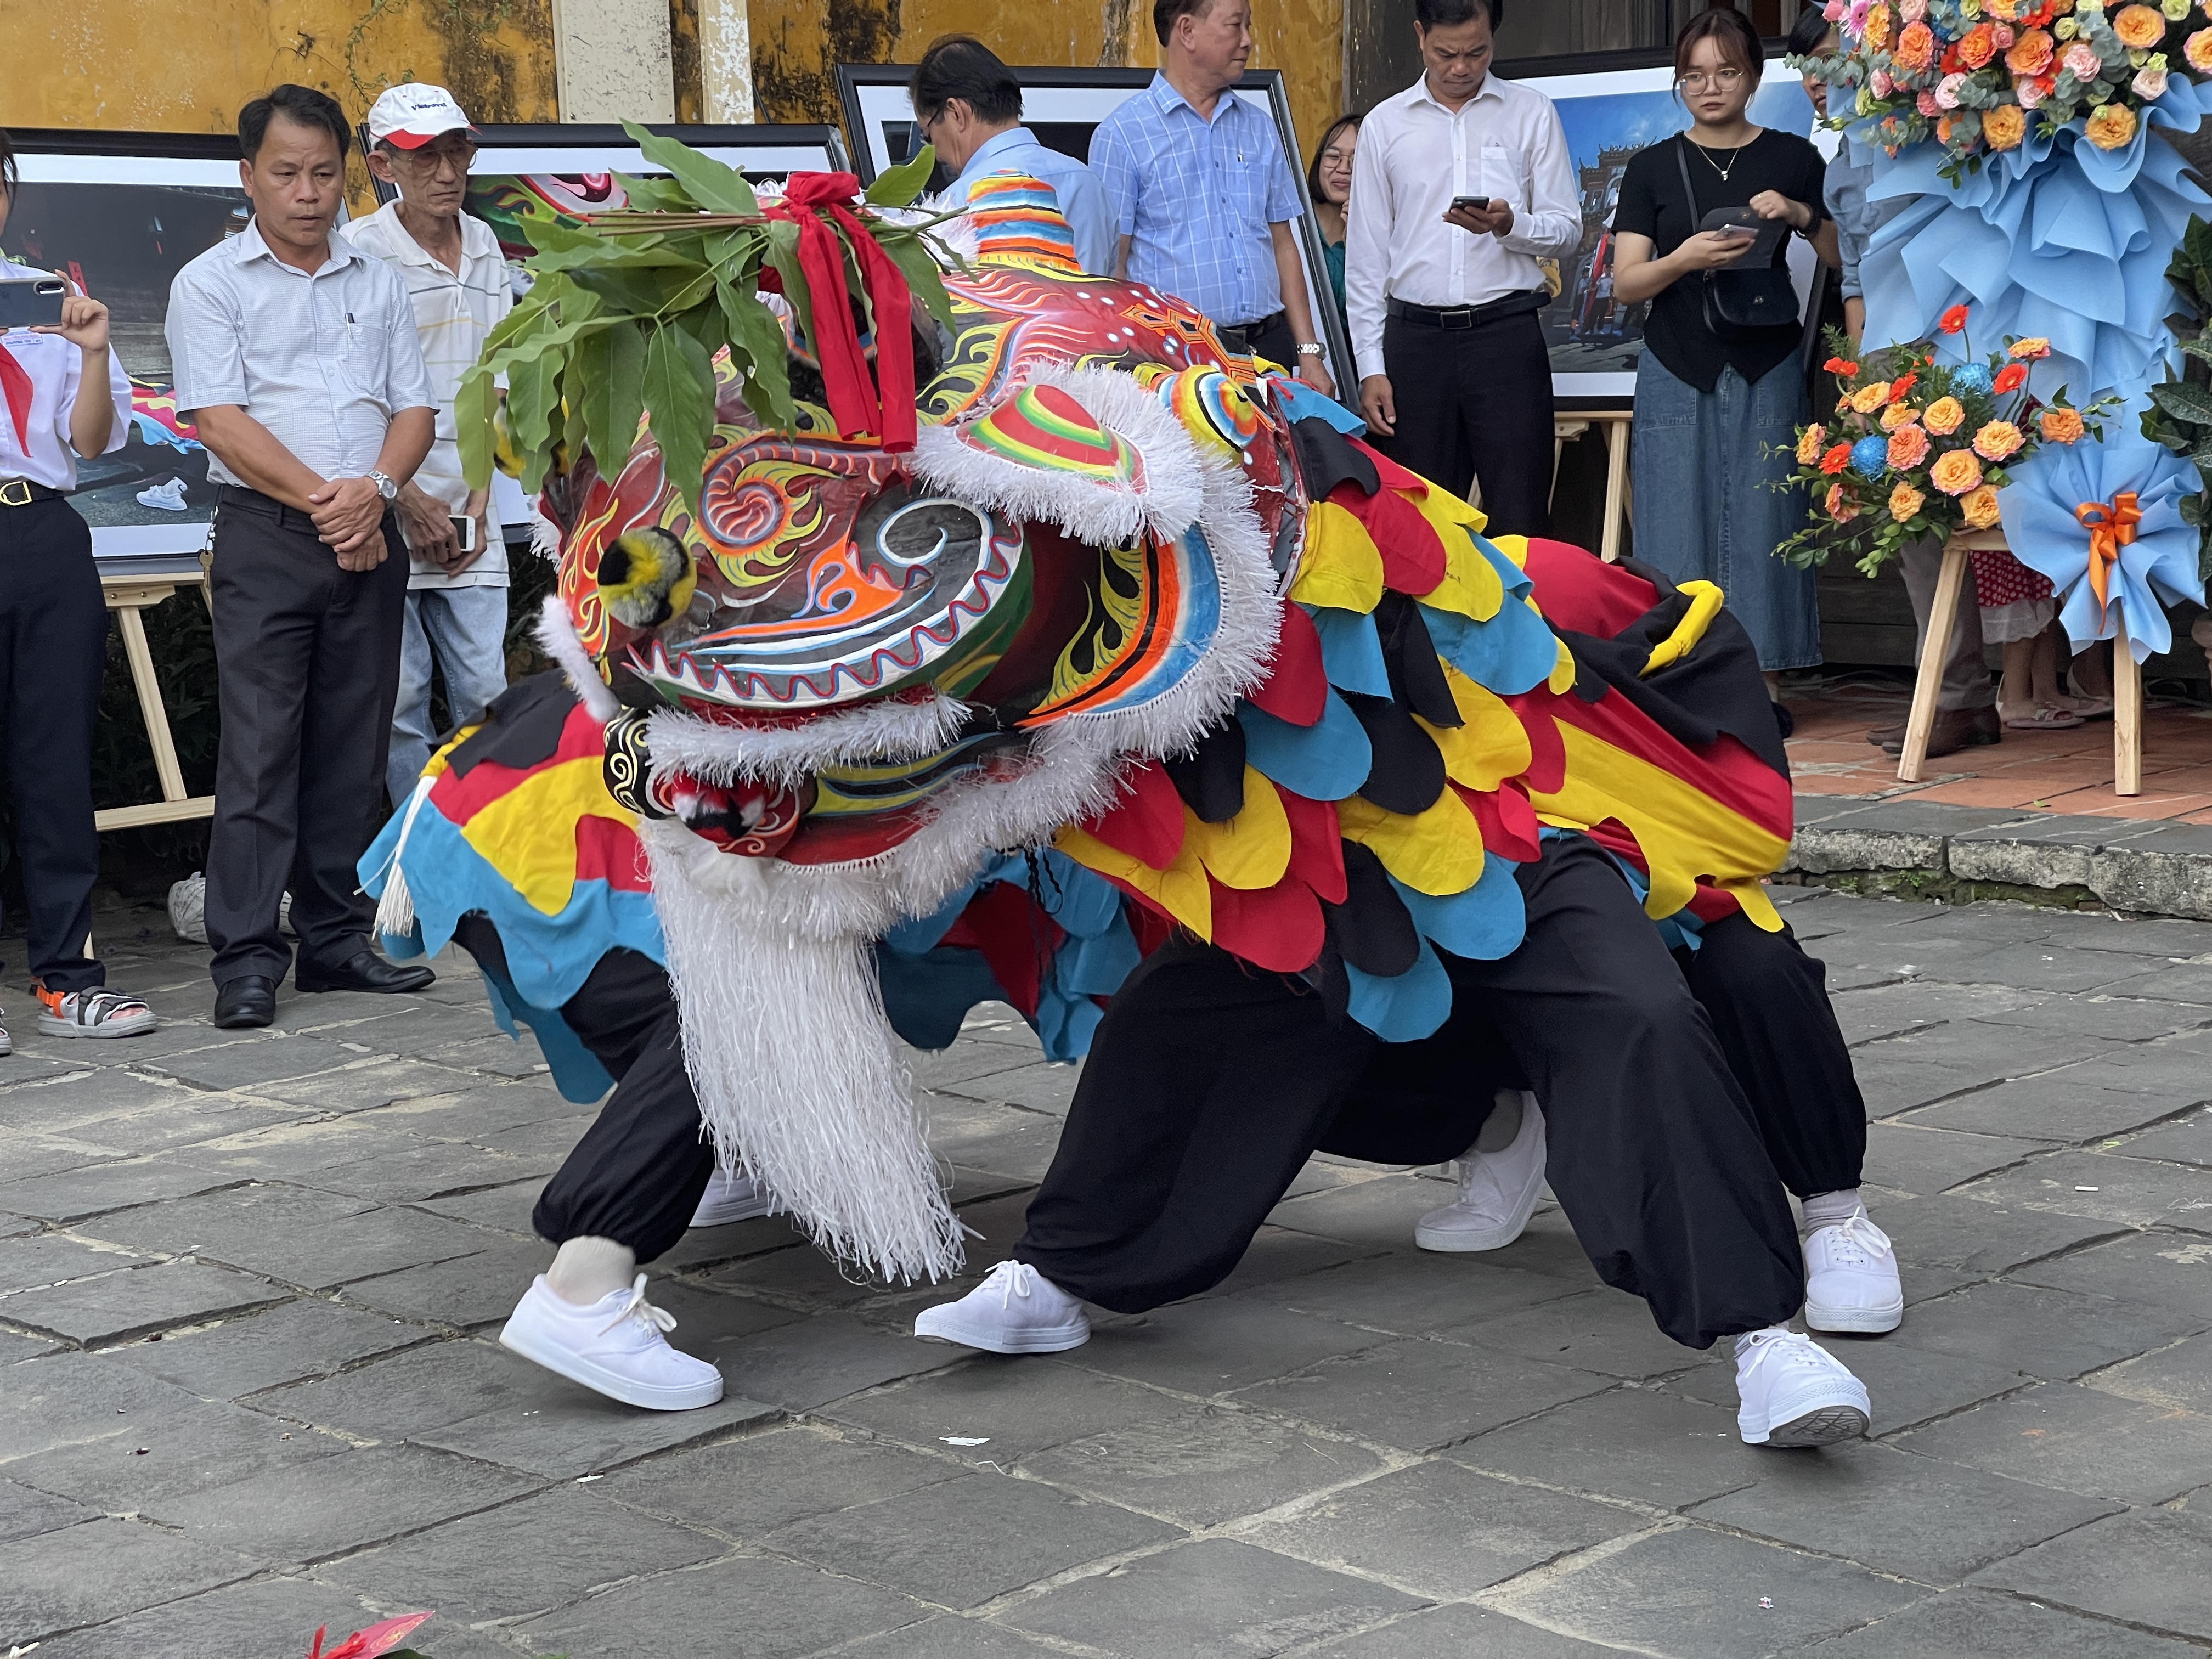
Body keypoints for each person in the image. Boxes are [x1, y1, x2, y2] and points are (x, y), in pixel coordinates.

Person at [915, 834, 1877, 1448]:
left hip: (1527, 825)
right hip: (1313, 835)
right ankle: (1063, 1270)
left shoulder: (1485, 572)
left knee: (1638, 1014)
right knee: (1179, 1010)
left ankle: (1765, 1335)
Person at [166, 84, 438, 1030]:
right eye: (286, 174)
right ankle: (245, 956)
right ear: (249, 178)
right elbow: (220, 420)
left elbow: (414, 409)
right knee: (260, 748)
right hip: (268, 537)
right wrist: (334, 503)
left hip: (373, 527)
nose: (308, 192)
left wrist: (378, 494)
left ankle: (333, 937)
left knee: (351, 744)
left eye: (325, 173)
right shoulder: (209, 283)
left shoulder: (377, 280)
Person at [1416, 908, 1903, 1338]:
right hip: (1523, 865)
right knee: (1436, 955)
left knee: (1753, 966)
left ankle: (1834, 1211)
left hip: (1677, 875)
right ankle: (1504, 1121)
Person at [1788, 10, 1997, 756]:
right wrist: (1861, 372)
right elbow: (1853, 273)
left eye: (1828, 62)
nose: (1818, 83)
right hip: (1890, 350)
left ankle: (2058, 683)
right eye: (1806, 71)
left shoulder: (1918, 125)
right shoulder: (1841, 155)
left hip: (1962, 337)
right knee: (1912, 521)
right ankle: (1958, 694)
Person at [1612, 9, 1833, 692]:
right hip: (1677, 357)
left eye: (1727, 72)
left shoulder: (1794, 157)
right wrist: (1684, 257)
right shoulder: (1651, 167)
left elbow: (1838, 255)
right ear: (1680, 83)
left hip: (1767, 356)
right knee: (1675, 515)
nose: (1710, 88)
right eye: (1695, 75)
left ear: (1755, 78)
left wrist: (1798, 215)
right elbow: (1626, 284)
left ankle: (1762, 686)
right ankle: (1682, 678)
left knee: (1768, 516)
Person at [0, 130, 158, 1048]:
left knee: (54, 764)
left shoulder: (42, 301)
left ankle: (67, 978)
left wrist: (94, 351)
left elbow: (91, 444)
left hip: (48, 533)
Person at [342, 84, 516, 811]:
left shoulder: (484, 244)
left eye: (457, 151)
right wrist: (405, 501)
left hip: (471, 510)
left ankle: (491, 854)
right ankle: (421, 866)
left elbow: (498, 383)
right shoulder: (358, 253)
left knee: (487, 694)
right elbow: (350, 401)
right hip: (387, 507)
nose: (447, 172)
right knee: (403, 704)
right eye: (424, 158)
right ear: (384, 163)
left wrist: (476, 504)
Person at [1345, 0, 1579, 537]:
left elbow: (1567, 231)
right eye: (1445, 53)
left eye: (1476, 52)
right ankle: (1422, 628)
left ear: (1493, 39)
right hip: (1415, 345)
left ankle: (1519, 622)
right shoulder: (1385, 124)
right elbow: (1365, 260)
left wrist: (1508, 224)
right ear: (1420, 35)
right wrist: (1370, 366)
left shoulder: (1530, 112)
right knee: (1419, 522)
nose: (1460, 67)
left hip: (1506, 337)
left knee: (1521, 513)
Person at [1091, 0, 1335, 395]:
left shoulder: (1259, 127)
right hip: (1176, 359)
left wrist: (1309, 353)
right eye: (1235, 26)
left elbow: (1283, 244)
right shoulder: (1123, 135)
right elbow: (1112, 267)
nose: (1248, 41)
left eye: (1248, 26)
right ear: (1187, 31)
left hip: (1267, 349)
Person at [910, 36, 1117, 279]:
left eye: (928, 135)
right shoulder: (1089, 182)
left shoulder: (954, 206)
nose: (936, 154)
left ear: (956, 113)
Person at [1306, 114, 1358, 343]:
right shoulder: (1293, 225)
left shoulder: (1388, 231)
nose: (1344, 168)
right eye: (1333, 156)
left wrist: (1357, 247)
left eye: (1358, 160)